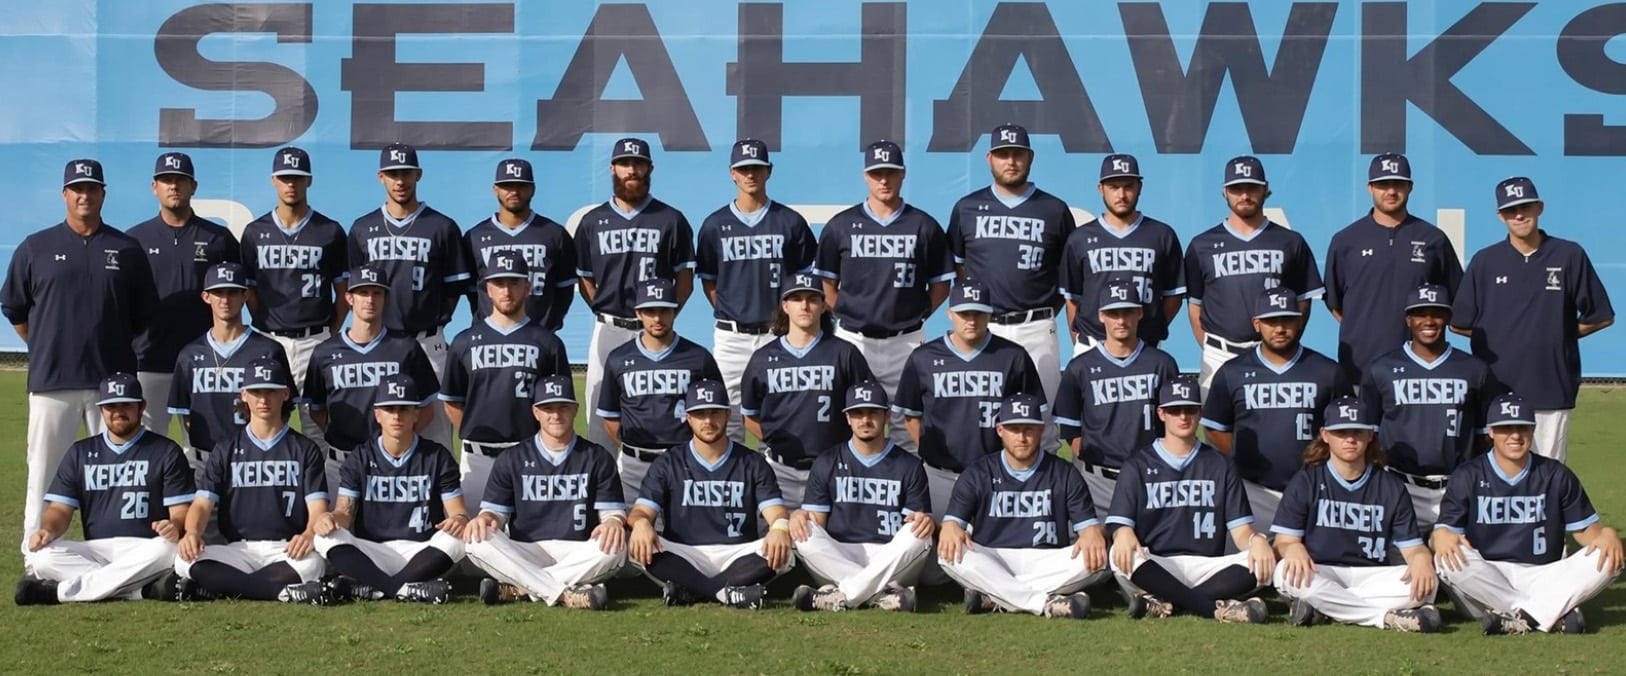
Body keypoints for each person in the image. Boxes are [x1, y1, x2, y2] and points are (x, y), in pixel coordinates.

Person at [4, 159, 159, 547]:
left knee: (118, 475)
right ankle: (34, 555)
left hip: (112, 387)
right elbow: (15, 309)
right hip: (53, 382)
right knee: (44, 471)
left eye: (92, 188)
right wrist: (43, 346)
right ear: (65, 195)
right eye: (77, 188)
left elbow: (142, 316)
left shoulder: (126, 249)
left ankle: (116, 551)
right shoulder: (36, 247)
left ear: (103, 194)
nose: (84, 195)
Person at [1451, 177, 1614, 464]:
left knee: (1547, 473)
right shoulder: (1486, 261)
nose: (1520, 215)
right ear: (1500, 215)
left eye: (1526, 206)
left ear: (1539, 207)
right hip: (1496, 387)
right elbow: (1459, 322)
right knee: (1496, 473)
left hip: (1551, 384)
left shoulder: (1568, 254)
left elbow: (1600, 316)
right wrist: (1498, 338)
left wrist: (1558, 335)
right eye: (1511, 210)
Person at [1432, 393, 1624, 635]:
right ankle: (1549, 612)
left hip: (1544, 575)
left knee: (1609, 557)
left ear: (1533, 430)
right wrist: (1440, 535)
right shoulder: (1468, 474)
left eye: (1522, 427)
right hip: (1487, 574)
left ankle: (1518, 616)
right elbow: (1447, 533)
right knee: (1446, 559)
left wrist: (1606, 534)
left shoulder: (1555, 474)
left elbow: (1586, 532)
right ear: (1491, 431)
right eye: (1506, 428)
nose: (1515, 435)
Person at [813, 140, 954, 451]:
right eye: (877, 174)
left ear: (902, 174)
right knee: (849, 422)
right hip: (854, 339)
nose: (884, 180)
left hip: (906, 340)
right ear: (866, 176)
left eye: (890, 173)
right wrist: (849, 313)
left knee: (909, 425)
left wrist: (912, 315)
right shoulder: (841, 226)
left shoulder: (923, 225)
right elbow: (826, 285)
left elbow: (941, 285)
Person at [14, 374, 194, 605]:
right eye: (111, 406)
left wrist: (174, 526)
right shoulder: (80, 452)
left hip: (146, 547)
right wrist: (48, 530)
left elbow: (180, 511)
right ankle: (140, 590)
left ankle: (56, 593)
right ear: (101, 410)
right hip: (96, 549)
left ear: (142, 407)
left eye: (126, 405)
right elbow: (59, 508)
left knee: (171, 549)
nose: (118, 412)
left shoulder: (165, 451)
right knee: (42, 558)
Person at [1106, 375, 1274, 623]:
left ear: (1200, 413)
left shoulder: (1219, 464)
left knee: (1264, 560)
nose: (1183, 417)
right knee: (1119, 555)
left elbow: (1241, 533)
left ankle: (1166, 603)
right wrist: (1123, 533)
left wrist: (1256, 540)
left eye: (1190, 410)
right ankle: (1211, 607)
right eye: (1175, 410)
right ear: (1162, 414)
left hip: (1206, 567)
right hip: (1157, 563)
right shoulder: (1138, 464)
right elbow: (1121, 525)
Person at [946, 124, 1073, 451]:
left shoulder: (1054, 210)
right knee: (983, 422)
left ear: (1030, 157)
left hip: (1036, 326)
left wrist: (1041, 312)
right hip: (984, 329)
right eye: (1003, 154)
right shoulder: (967, 208)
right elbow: (961, 269)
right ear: (989, 158)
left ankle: (1040, 499)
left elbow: (1067, 275)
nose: (1011, 161)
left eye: (1018, 153)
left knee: (1041, 426)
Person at [1270, 397, 1441, 633]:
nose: (1350, 439)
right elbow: (1283, 542)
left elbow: (1411, 548)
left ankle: (1324, 608)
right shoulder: (1307, 480)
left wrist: (1421, 557)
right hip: (1320, 570)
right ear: (1325, 435)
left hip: (1371, 575)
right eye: (1341, 432)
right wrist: (1291, 547)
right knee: (1283, 574)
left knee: (1428, 583)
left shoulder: (1390, 486)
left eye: (1357, 432)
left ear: (1370, 434)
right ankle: (1385, 618)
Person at [173, 358, 331, 604]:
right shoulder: (225, 449)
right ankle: (280, 592)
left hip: (287, 549)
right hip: (238, 550)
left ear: (285, 394)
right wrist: (192, 533)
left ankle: (225, 587)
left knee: (314, 564)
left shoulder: (304, 448)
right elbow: (202, 505)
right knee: (184, 560)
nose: (264, 400)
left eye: (271, 391)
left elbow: (318, 511)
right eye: (257, 392)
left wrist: (309, 534)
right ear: (244, 395)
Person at [938, 394, 1109, 619]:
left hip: (1047, 560)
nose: (1022, 437)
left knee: (1100, 557)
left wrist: (1092, 534)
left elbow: (1089, 531)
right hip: (993, 557)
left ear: (1041, 430)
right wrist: (950, 526)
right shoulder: (978, 471)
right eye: (1014, 429)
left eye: (1028, 429)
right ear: (1000, 430)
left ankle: (996, 596)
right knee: (949, 555)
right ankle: (1043, 603)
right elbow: (952, 526)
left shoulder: (1063, 472)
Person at [463, 375, 628, 609]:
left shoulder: (597, 456)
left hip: (578, 551)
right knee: (474, 541)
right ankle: (564, 593)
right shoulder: (512, 458)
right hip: (526, 550)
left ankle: (522, 588)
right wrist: (484, 519)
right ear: (536, 412)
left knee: (618, 545)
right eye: (547, 408)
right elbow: (495, 515)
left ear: (575, 409)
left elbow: (611, 515)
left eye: (563, 407)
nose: (556, 415)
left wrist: (614, 522)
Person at [627, 380, 793, 610]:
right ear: (688, 417)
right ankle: (726, 592)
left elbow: (776, 513)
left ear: (727, 415)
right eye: (700, 413)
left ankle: (692, 591)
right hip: (685, 553)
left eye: (715, 412)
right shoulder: (669, 462)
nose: (708, 421)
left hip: (738, 553)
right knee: (635, 544)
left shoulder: (751, 462)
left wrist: (780, 527)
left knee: (787, 549)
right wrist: (642, 523)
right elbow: (640, 512)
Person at [575, 138, 696, 451]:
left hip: (655, 329)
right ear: (613, 169)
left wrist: (660, 319)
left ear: (650, 168)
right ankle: (604, 494)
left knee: (660, 412)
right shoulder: (593, 222)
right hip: (609, 328)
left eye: (638, 163)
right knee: (599, 419)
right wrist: (605, 312)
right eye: (625, 163)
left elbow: (685, 281)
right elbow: (586, 281)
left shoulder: (671, 220)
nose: (632, 170)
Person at [348, 143, 470, 450]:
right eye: (392, 174)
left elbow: (454, 290)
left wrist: (430, 319)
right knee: (380, 429)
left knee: (437, 433)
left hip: (428, 342)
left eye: (406, 173)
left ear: (418, 175)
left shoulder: (442, 226)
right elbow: (353, 289)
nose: (400, 180)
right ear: (381, 177)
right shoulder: (363, 228)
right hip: (382, 343)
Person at [696, 139, 817, 443]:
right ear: (732, 174)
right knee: (726, 418)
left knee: (782, 411)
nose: (750, 174)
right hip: (731, 336)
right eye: (744, 169)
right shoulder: (715, 225)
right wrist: (732, 310)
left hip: (779, 334)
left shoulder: (790, 222)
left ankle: (779, 476)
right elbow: (710, 282)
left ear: (769, 172)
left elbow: (805, 282)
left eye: (757, 168)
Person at [313, 374, 468, 605]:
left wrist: (460, 520)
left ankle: (373, 588)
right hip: (372, 553)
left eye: (403, 409)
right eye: (389, 409)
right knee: (324, 537)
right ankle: (406, 589)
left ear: (416, 413)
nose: (396, 416)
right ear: (378, 414)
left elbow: (459, 513)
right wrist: (329, 517)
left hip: (423, 552)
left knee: (461, 539)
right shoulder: (360, 457)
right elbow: (344, 514)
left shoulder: (436, 456)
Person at [894, 278, 1043, 517]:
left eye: (978, 313)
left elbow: (1032, 419)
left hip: (998, 473)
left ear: (990, 313)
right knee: (934, 544)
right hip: (939, 475)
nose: (971, 320)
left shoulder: (1012, 356)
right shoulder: (923, 357)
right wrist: (932, 453)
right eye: (964, 313)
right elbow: (911, 417)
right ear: (950, 313)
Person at [1201, 288, 1347, 529]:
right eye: (1271, 321)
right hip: (1253, 491)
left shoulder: (1327, 371)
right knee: (1252, 563)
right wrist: (1243, 458)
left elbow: (1345, 431)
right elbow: (1215, 428)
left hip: (1315, 487)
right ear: (1257, 324)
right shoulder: (1232, 372)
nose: (1279, 328)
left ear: (1300, 321)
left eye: (1287, 320)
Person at [1360, 284, 1500, 526]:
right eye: (1420, 313)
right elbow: (1368, 436)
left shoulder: (1474, 369)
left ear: (1447, 317)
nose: (1429, 321)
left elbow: (1484, 438)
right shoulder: (1381, 369)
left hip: (1457, 486)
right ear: (1408, 319)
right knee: (1402, 561)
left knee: (1459, 561)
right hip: (1400, 484)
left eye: (1436, 313)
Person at [440, 252, 571, 509]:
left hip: (532, 456)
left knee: (532, 539)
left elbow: (559, 406)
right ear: (488, 289)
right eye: (499, 283)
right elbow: (453, 402)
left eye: (514, 282)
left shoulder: (548, 342)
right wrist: (473, 434)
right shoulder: (464, 341)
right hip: (478, 459)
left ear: (528, 286)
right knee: (475, 539)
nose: (507, 291)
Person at [1184, 156, 1323, 395]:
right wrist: (1211, 347)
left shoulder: (1290, 241)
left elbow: (1303, 303)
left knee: (1275, 428)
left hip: (1275, 353)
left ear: (1265, 189)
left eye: (1252, 188)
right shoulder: (1202, 245)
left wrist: (1281, 345)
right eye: (1237, 189)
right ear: (1225, 192)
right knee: (1217, 431)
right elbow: (1195, 307)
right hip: (1219, 354)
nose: (1245, 195)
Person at [788, 382, 933, 612]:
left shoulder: (909, 465)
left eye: (873, 412)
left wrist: (925, 521)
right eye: (857, 413)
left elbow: (914, 525)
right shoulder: (827, 461)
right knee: (800, 530)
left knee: (920, 535)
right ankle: (881, 597)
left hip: (889, 556)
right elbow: (816, 522)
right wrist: (797, 516)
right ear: (847, 418)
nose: (865, 420)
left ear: (886, 416)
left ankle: (843, 595)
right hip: (839, 553)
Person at [240, 147, 349, 445]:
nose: (291, 184)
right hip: (270, 339)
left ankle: (322, 491)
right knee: (268, 423)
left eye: (298, 178)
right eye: (286, 178)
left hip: (316, 338)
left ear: (309, 181)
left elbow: (343, 293)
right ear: (274, 180)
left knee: (319, 427)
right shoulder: (254, 232)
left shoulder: (330, 231)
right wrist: (265, 324)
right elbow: (249, 290)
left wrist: (330, 332)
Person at [1322, 154, 1462, 385]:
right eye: (1383, 185)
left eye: (1398, 184)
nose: (1391, 191)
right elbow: (1335, 304)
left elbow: (1454, 301)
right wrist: (1366, 328)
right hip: (1359, 369)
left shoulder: (1432, 239)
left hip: (1419, 372)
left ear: (1410, 187)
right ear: (1370, 188)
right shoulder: (1346, 240)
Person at [129, 152, 241, 437]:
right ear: (155, 187)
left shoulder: (219, 238)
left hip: (204, 360)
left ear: (194, 186)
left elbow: (237, 294)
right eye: (166, 180)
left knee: (204, 445)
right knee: (148, 446)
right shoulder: (134, 240)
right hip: (149, 360)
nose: (174, 186)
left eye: (181, 180)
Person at [739, 273, 873, 507]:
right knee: (775, 538)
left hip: (833, 467)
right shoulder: (763, 358)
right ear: (785, 306)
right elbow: (749, 415)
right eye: (796, 298)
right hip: (779, 470)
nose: (804, 305)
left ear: (823, 305)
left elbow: (869, 411)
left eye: (812, 298)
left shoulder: (844, 353)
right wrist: (777, 442)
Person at [304, 263, 440, 493]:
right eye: (363, 293)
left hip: (392, 463)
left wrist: (398, 442)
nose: (370, 300)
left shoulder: (405, 348)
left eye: (377, 293)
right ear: (349, 298)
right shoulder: (324, 352)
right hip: (341, 462)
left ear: (385, 297)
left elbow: (426, 408)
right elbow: (317, 409)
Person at [1054, 278, 1180, 514]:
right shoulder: (1080, 367)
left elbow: (1173, 424)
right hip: (1098, 482)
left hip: (1151, 479)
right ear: (1101, 315)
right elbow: (1071, 431)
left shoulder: (1162, 364)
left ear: (1140, 313)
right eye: (1113, 313)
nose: (1121, 320)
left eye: (1127, 312)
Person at [169, 263, 297, 480]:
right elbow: (187, 416)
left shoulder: (268, 350)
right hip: (205, 463)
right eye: (218, 292)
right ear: (206, 297)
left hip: (256, 460)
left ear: (245, 295)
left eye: (232, 292)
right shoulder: (189, 355)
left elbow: (284, 409)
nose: (225, 300)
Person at [598, 278, 723, 500]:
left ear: (675, 311)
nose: (657, 318)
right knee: (630, 530)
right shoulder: (619, 359)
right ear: (638, 313)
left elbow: (717, 413)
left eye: (664, 310)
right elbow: (610, 417)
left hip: (685, 463)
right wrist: (632, 448)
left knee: (684, 533)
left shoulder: (698, 357)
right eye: (650, 311)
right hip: (633, 467)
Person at [1060, 153, 1184, 353]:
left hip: (1145, 347)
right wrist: (1081, 341)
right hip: (1092, 344)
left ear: (1139, 188)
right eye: (1114, 187)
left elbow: (1174, 297)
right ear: (1101, 189)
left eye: (1128, 186)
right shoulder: (1080, 238)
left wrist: (1150, 328)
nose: (1121, 194)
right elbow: (1073, 298)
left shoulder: (1161, 235)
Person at [463, 158, 577, 332]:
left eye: (521, 185)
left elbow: (564, 288)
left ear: (532, 189)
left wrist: (548, 325)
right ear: (495, 189)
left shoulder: (554, 234)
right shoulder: (475, 236)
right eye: (507, 186)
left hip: (539, 337)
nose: (514, 191)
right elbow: (473, 290)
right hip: (489, 337)